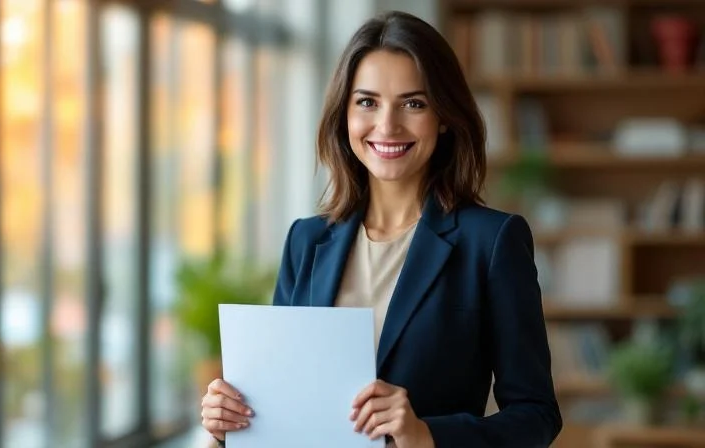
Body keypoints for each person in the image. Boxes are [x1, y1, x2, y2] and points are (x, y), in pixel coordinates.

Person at [200, 10, 562, 448]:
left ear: (444, 116)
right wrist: (229, 426)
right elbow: (285, 407)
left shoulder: (491, 242)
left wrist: (428, 436)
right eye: (367, 102)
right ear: (344, 114)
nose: (387, 125)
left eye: (414, 103)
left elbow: (536, 416)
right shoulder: (306, 241)